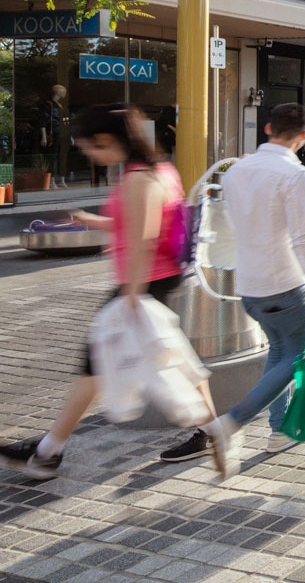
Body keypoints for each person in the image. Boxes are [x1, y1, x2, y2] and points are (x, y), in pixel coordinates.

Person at [1, 105, 223, 480]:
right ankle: (213, 429)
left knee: (95, 365)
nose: (88, 154)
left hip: (140, 285)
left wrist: (131, 297)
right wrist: (95, 221)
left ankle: (47, 453)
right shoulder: (160, 170)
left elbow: (144, 238)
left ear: (106, 140)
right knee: (173, 357)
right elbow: (139, 224)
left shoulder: (139, 178)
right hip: (154, 280)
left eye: (89, 147)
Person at [157, 101, 305, 477]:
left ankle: (279, 431)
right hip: (286, 283)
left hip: (248, 285)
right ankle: (229, 424)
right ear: (302, 137)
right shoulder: (296, 174)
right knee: (297, 354)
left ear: (268, 128)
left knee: (279, 352)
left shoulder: (237, 170)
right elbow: (304, 237)